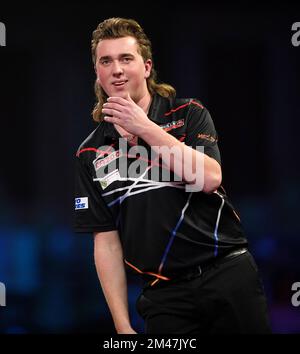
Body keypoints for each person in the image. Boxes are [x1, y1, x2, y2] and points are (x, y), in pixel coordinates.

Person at [74, 17, 271, 334]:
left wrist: (144, 128)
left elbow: (209, 179)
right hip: (164, 294)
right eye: (106, 61)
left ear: (147, 67)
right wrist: (122, 325)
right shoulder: (90, 152)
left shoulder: (189, 113)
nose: (117, 69)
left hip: (227, 273)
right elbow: (106, 243)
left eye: (127, 58)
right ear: (98, 72)